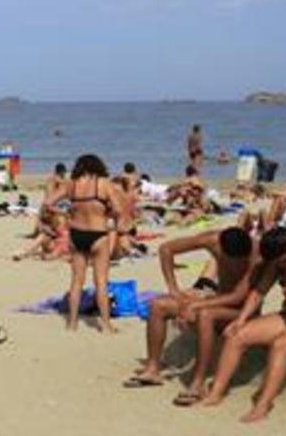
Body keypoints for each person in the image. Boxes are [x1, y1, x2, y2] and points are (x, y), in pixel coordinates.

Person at [200, 227, 286, 422]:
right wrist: (240, 320)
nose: (279, 264)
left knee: (280, 345)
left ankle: (263, 404)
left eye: (282, 260)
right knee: (237, 335)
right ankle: (216, 392)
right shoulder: (276, 261)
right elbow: (259, 292)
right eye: (275, 262)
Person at [123, 227, 259, 403]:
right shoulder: (212, 241)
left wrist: (196, 304)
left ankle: (198, 382)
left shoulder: (256, 254)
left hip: (241, 311)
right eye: (231, 260)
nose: (235, 263)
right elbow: (166, 249)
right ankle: (152, 368)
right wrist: (174, 290)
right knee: (158, 305)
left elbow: (238, 296)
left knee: (205, 314)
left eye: (239, 261)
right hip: (215, 301)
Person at [44, 154, 126, 333]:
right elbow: (119, 210)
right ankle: (106, 325)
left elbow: (48, 203)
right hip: (98, 234)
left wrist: (66, 213)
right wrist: (109, 214)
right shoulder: (103, 183)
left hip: (76, 234)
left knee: (76, 281)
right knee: (101, 282)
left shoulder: (71, 184)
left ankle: (72, 324)